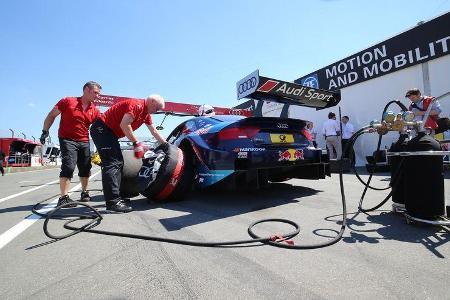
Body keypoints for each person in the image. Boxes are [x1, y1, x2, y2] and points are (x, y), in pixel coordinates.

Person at [90, 94, 166, 213]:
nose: (156, 111)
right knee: (112, 163)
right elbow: (124, 124)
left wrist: (167, 145)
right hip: (102, 129)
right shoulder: (136, 105)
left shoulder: (146, 114)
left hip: (110, 133)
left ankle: (117, 198)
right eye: (157, 108)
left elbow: (154, 131)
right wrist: (137, 143)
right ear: (151, 101)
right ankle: (112, 202)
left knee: (119, 163)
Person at [40, 81, 101, 207]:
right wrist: (45, 131)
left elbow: (101, 127)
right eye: (95, 93)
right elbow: (52, 115)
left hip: (84, 140)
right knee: (68, 166)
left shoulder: (94, 110)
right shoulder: (67, 101)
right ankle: (63, 198)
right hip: (67, 139)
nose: (97, 96)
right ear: (86, 90)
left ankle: (84, 192)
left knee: (85, 167)